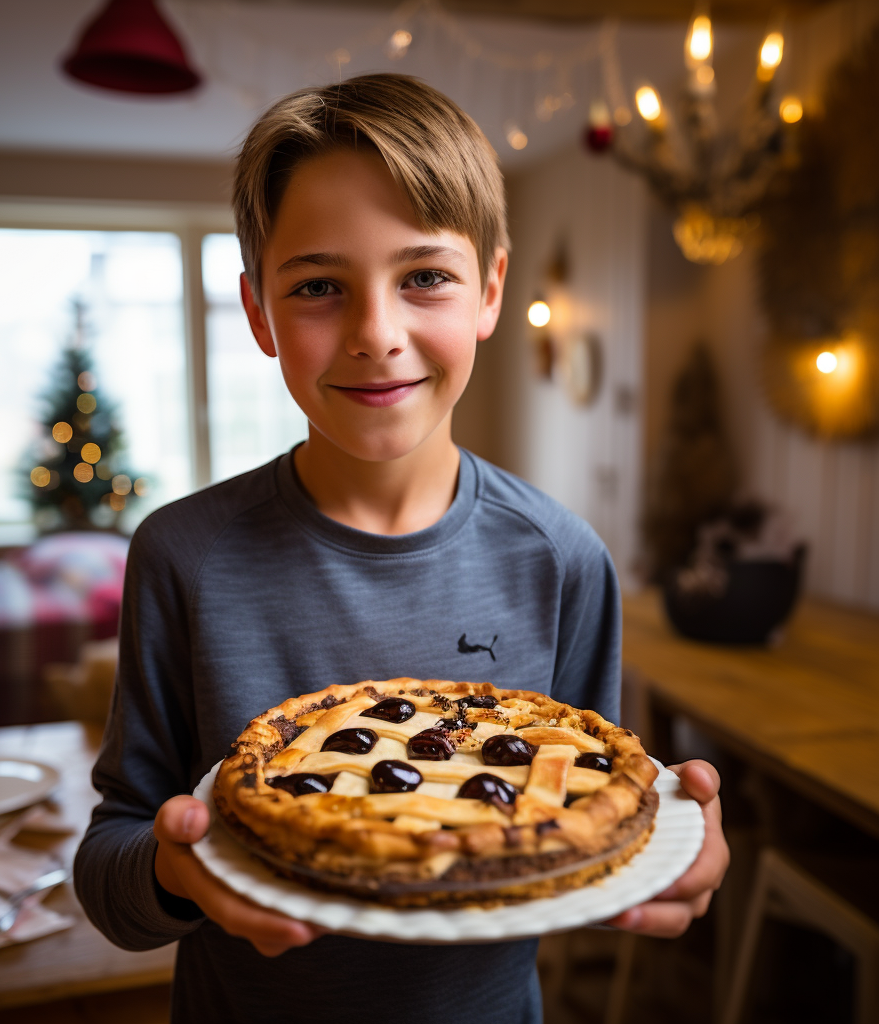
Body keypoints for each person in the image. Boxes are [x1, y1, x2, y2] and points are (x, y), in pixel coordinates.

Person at [75, 73, 729, 1023]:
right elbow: (110, 874)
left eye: (424, 276)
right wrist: (175, 875)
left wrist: (674, 859)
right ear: (258, 311)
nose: (376, 334)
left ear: (490, 292)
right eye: (318, 287)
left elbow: (586, 823)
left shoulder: (562, 560)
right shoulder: (184, 556)